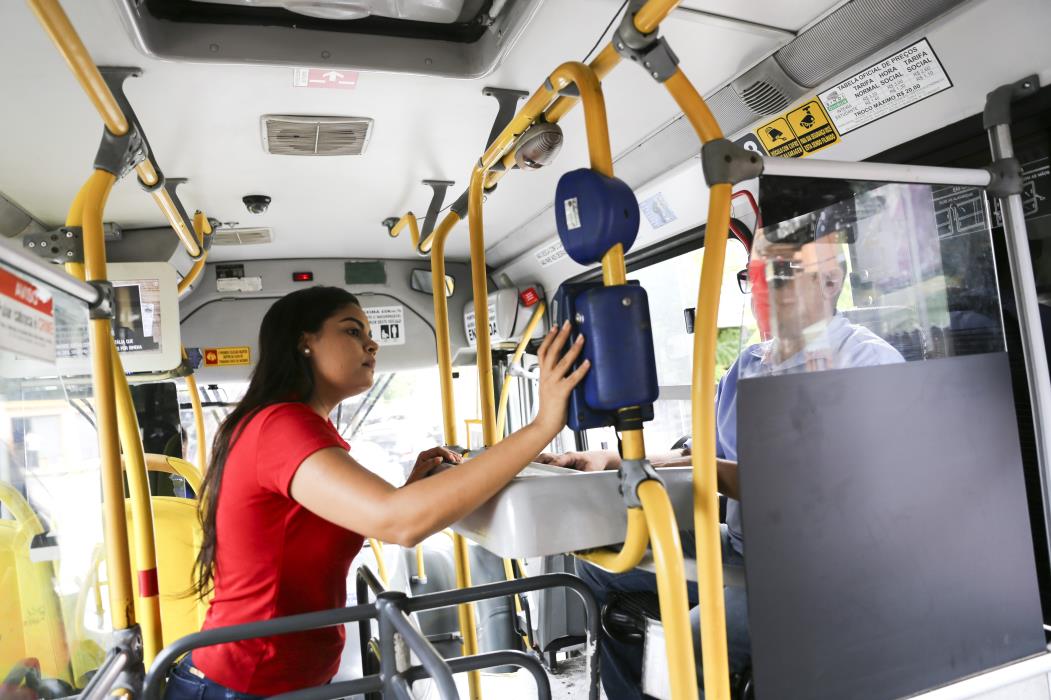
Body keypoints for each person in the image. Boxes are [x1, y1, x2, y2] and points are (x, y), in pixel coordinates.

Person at [539, 184, 905, 699]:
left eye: (778, 275)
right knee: (599, 562)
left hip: (816, 572)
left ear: (831, 278)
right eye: (751, 276)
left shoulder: (865, 364)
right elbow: (707, 456)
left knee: (689, 640)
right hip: (740, 548)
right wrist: (616, 461)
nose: (760, 290)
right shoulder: (749, 366)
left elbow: (825, 494)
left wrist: (702, 472)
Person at [164, 286, 590, 699]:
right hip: (240, 684)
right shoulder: (281, 427)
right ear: (304, 342)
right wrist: (541, 427)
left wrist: (409, 491)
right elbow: (398, 522)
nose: (372, 346)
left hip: (280, 680)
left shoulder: (300, 427)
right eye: (352, 331)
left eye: (369, 334)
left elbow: (365, 521)